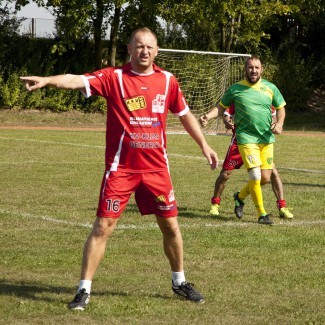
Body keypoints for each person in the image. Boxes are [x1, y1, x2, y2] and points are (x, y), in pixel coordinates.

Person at [21, 27, 219, 309]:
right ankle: (83, 290)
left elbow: (184, 115)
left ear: (157, 50)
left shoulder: (167, 81)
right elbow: (76, 80)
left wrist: (205, 146)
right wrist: (47, 81)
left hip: (157, 170)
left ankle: (180, 282)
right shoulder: (114, 78)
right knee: (103, 226)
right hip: (121, 170)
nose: (144, 51)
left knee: (171, 226)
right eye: (139, 46)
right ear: (129, 49)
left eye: (149, 47)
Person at [201, 55, 286, 225]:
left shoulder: (270, 88)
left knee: (265, 178)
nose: (253, 71)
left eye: (256, 68)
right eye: (250, 68)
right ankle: (262, 214)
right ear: (245, 70)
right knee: (254, 175)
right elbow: (221, 107)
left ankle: (239, 197)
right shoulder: (236, 89)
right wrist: (208, 116)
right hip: (246, 139)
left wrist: (280, 123)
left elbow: (280, 107)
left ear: (261, 69)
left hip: (266, 139)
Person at [199, 104, 293, 219]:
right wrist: (227, 121)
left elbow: (274, 117)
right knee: (225, 174)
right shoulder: (241, 95)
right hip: (239, 143)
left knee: (271, 174)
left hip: (259, 143)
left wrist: (275, 125)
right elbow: (227, 113)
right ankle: (215, 204)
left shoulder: (267, 97)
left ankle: (281, 207)